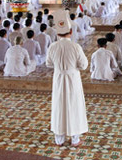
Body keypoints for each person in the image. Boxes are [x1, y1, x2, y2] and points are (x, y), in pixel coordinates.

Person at [46, 10, 88, 147]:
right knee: (74, 106)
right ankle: (75, 139)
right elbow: (84, 65)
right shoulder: (75, 46)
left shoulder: (53, 46)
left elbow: (48, 63)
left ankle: (59, 139)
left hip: (58, 78)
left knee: (59, 106)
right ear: (70, 32)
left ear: (57, 34)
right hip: (72, 79)